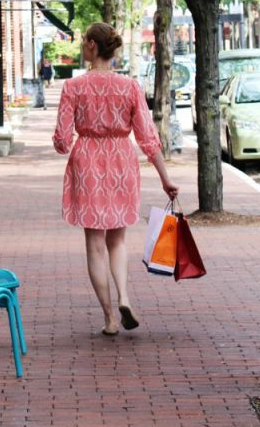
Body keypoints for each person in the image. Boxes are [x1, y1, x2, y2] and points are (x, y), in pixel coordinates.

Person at [53, 22, 179, 336]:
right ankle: (124, 295)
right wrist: (165, 178)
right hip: (122, 161)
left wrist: (64, 142)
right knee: (118, 240)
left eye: (84, 42)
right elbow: (148, 138)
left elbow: (62, 140)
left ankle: (109, 317)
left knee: (95, 244)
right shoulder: (130, 87)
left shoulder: (74, 88)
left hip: (88, 164)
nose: (82, 46)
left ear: (93, 45)